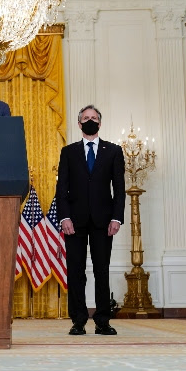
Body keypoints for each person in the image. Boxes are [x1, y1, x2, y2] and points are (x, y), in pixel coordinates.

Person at [56, 105, 125, 336]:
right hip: (73, 221)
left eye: (94, 118)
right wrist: (64, 216)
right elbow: (61, 188)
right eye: (86, 118)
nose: (90, 121)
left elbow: (120, 189)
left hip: (104, 222)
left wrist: (117, 217)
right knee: (75, 271)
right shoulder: (68, 151)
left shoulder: (113, 151)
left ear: (100, 123)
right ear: (79, 124)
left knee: (101, 270)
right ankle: (78, 320)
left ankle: (103, 321)